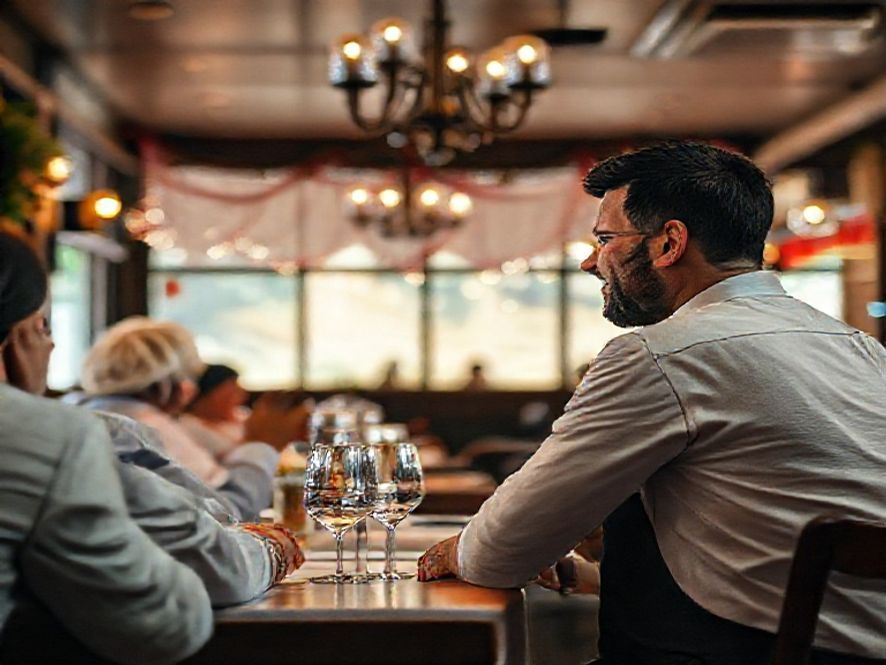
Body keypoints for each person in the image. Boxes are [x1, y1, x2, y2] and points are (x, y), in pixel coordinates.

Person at [418, 142, 886, 664]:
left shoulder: (661, 355)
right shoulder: (860, 349)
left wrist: (459, 552)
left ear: (669, 243)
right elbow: (789, 548)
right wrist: (589, 573)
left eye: (605, 239)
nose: (589, 261)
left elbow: (497, 553)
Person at [0, 232, 212, 664]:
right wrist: (32, 410)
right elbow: (165, 625)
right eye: (43, 326)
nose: (52, 344)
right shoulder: (44, 435)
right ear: (16, 336)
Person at [78, 318, 308, 520]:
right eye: (189, 376)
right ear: (170, 381)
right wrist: (262, 444)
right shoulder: (146, 425)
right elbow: (226, 513)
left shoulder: (84, 412)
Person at [182, 363, 249, 459]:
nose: (241, 398)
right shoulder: (189, 424)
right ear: (208, 394)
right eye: (232, 393)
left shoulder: (241, 418)